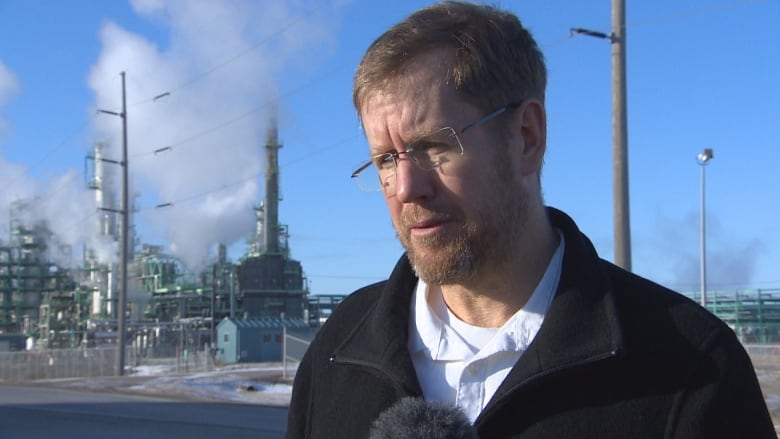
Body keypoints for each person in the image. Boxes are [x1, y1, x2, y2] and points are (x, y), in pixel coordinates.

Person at [286, 2, 775, 438]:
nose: (407, 188)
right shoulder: (338, 350)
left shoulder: (692, 368)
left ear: (526, 136)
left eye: (432, 147)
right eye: (385, 161)